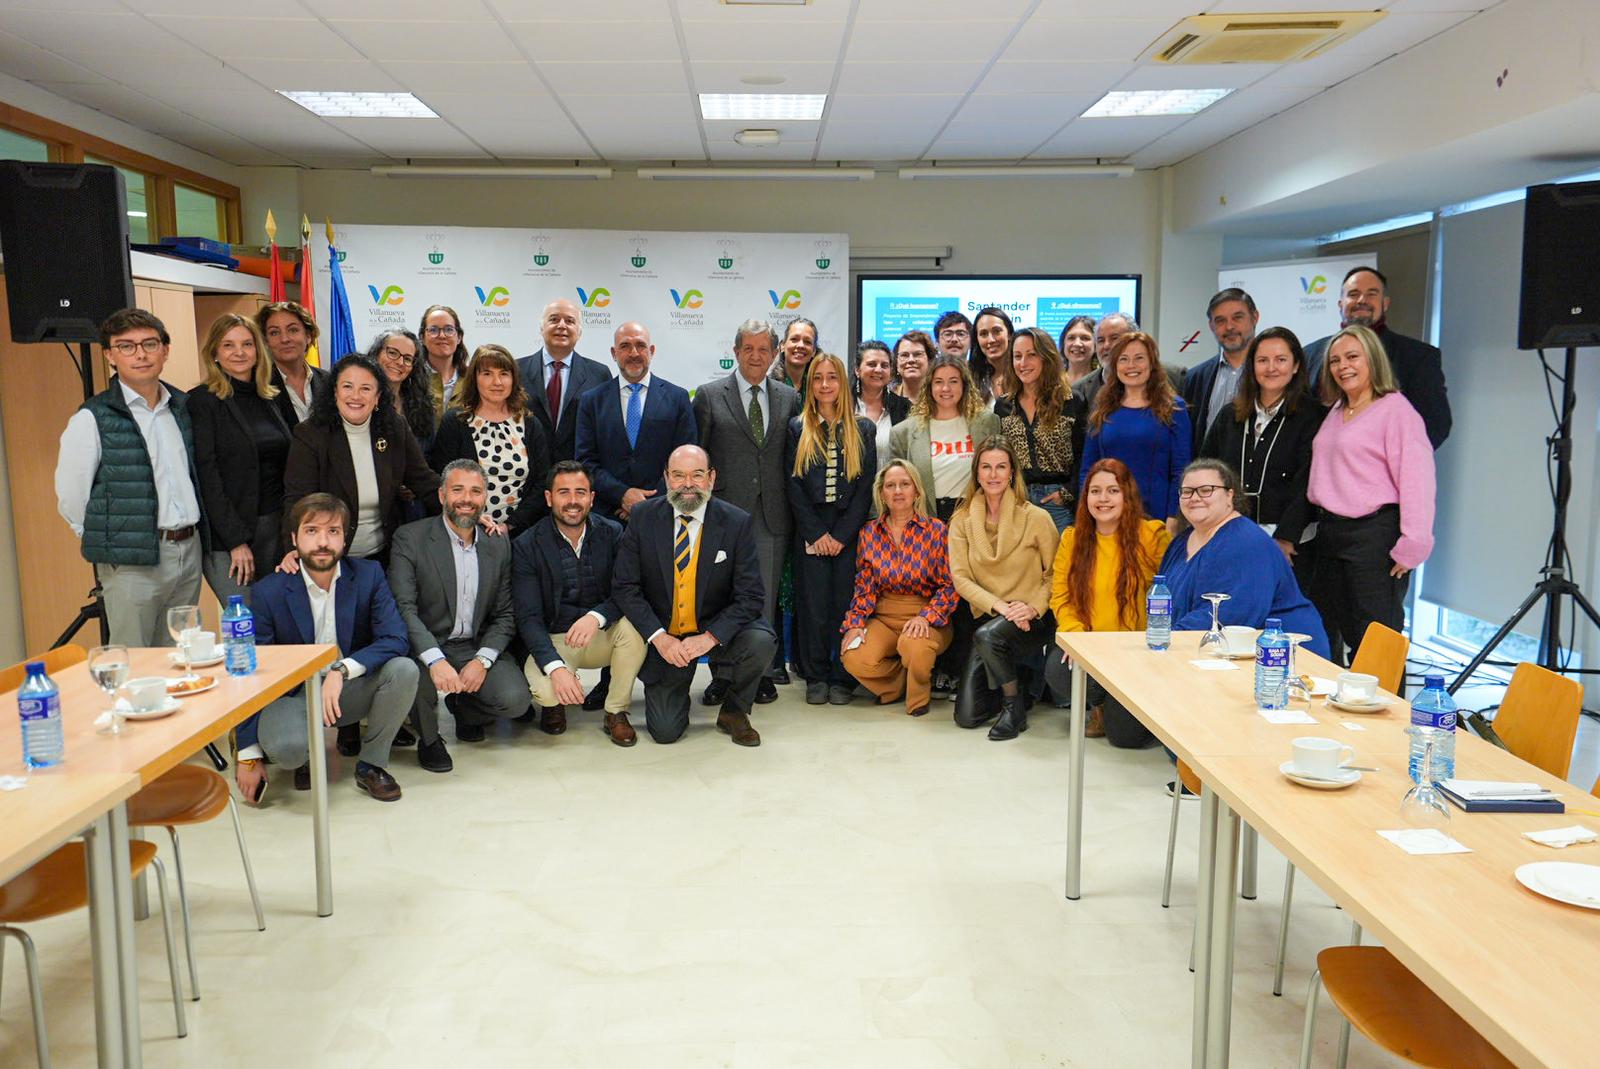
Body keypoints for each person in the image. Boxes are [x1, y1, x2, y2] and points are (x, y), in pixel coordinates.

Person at [232, 493, 417, 802]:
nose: (322, 541)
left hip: (345, 689)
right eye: (311, 531)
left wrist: (341, 670)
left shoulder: (368, 575)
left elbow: (395, 637)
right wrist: (248, 755)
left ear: (345, 540)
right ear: (294, 539)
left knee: (403, 670)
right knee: (287, 751)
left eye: (333, 531)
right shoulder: (268, 592)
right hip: (294, 694)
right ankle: (305, 755)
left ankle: (371, 765)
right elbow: (251, 672)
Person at [610, 445, 776, 747]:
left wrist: (709, 638)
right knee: (664, 732)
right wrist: (659, 638)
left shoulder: (736, 522)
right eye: (678, 475)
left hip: (714, 629)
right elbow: (625, 587)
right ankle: (675, 691)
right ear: (666, 478)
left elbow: (751, 596)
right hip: (666, 638)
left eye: (697, 475)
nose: (688, 484)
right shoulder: (644, 517)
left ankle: (734, 710)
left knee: (761, 640)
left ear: (711, 477)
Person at [55, 308, 202, 647]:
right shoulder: (93, 417)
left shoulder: (182, 407)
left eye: (149, 344)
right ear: (109, 354)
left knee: (180, 660)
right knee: (135, 661)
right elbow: (71, 495)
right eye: (126, 346)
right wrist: (111, 544)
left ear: (165, 350)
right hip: (131, 560)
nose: (140, 354)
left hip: (187, 550)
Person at [388, 460, 531, 769]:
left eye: (476, 491)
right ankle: (429, 740)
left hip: (472, 644)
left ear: (485, 498)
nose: (467, 499)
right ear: (442, 496)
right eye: (458, 490)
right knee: (416, 677)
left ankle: (465, 707)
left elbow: (505, 613)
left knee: (516, 700)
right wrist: (435, 660)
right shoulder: (409, 538)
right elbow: (404, 609)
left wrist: (483, 660)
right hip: (424, 644)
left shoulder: (497, 542)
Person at [1307, 324, 1435, 664]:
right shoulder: (1337, 411)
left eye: (1352, 357)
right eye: (1334, 360)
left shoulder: (1396, 410)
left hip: (1374, 537)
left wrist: (1414, 543)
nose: (1342, 366)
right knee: (1334, 631)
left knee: (1377, 642)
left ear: (1373, 360)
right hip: (1331, 534)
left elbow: (1418, 479)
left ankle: (1390, 717)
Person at [693, 318, 799, 706]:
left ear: (775, 355)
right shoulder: (708, 395)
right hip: (723, 514)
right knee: (721, 596)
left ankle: (762, 672)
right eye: (748, 349)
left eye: (764, 350)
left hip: (773, 513)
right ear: (735, 352)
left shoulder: (788, 396)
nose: (756, 356)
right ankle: (722, 674)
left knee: (765, 596)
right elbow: (698, 455)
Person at [512, 461, 647, 746]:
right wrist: (556, 668)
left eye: (580, 492)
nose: (573, 501)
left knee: (635, 629)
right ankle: (554, 705)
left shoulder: (612, 533)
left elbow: (627, 591)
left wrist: (596, 617)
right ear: (549, 498)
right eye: (564, 493)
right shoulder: (526, 545)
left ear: (592, 498)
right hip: (555, 639)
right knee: (548, 689)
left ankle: (616, 712)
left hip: (602, 634)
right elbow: (528, 618)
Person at [889, 357, 1000, 696]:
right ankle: (938, 670)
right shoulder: (907, 430)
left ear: (964, 385)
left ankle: (967, 672)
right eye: (939, 382)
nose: (946, 388)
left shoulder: (986, 422)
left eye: (954, 381)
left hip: (972, 517)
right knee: (936, 592)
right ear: (929, 387)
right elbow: (899, 479)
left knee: (969, 596)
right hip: (929, 518)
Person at [1043, 459, 1172, 747]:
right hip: (1094, 647)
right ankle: (1101, 704)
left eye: (1112, 491)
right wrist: (1075, 639)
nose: (1103, 499)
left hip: (1137, 652)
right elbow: (1061, 597)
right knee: (1057, 668)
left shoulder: (1152, 535)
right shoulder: (1072, 539)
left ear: (1127, 494)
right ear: (1085, 496)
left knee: (1125, 739)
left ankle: (1136, 703)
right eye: (1095, 491)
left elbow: (1170, 595)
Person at [1159, 460, 1330, 658]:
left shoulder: (1246, 542)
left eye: (1206, 490)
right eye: (1187, 491)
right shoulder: (1181, 542)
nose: (1195, 498)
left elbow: (1228, 616)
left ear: (1229, 495)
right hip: (1212, 653)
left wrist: (1168, 643)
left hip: (1283, 658)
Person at [282, 354, 439, 568]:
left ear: (377, 397)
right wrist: (293, 549)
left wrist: (462, 510)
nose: (355, 396)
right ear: (334, 392)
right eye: (347, 386)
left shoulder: (394, 427)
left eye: (365, 388)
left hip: (383, 556)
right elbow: (297, 499)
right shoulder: (311, 434)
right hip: (327, 557)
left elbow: (423, 480)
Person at [947, 439, 1058, 741]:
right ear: (977, 473)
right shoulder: (962, 520)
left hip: (1031, 618)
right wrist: (1001, 607)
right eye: (986, 467)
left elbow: (1055, 574)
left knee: (989, 636)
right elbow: (961, 578)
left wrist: (1033, 607)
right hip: (991, 616)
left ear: (1011, 472)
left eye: (1000, 467)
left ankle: (1013, 707)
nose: (993, 474)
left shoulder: (1036, 517)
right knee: (967, 716)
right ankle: (1020, 683)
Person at [1198, 326, 1323, 590]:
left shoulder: (1312, 416)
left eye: (1281, 360)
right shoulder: (1230, 414)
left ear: (1296, 365)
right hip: (1230, 534)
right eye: (1262, 360)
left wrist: (1286, 538)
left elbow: (1308, 484)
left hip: (1288, 543)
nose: (1271, 368)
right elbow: (1205, 471)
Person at [785, 351, 877, 705]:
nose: (825, 385)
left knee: (844, 603)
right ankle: (816, 674)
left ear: (843, 382)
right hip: (811, 528)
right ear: (810, 385)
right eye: (818, 378)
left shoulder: (862, 428)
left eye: (832, 378)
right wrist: (816, 533)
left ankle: (842, 676)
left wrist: (841, 535)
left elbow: (865, 486)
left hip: (847, 529)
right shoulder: (798, 428)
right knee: (812, 604)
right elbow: (792, 484)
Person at [187, 313, 292, 606]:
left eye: (247, 344)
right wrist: (235, 541)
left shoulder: (271, 396)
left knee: (277, 622)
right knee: (246, 623)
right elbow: (207, 477)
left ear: (258, 350)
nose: (239, 352)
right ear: (215, 354)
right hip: (231, 538)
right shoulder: (203, 401)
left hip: (275, 529)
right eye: (229, 345)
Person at [839, 460, 957, 718]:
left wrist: (926, 617)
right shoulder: (869, 532)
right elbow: (865, 586)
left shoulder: (936, 530)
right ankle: (901, 681)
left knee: (914, 645)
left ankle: (917, 699)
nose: (898, 491)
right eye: (890, 486)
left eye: (905, 484)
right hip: (884, 617)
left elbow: (949, 586)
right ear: (882, 493)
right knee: (853, 655)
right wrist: (856, 623)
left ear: (916, 490)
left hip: (928, 616)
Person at [1303, 266, 1451, 449]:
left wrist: (1377, 463)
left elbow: (1435, 423)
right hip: (1320, 471)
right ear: (1340, 304)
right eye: (1353, 294)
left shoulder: (1418, 357)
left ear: (1385, 303)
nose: (1362, 300)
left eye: (1371, 294)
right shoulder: (1310, 354)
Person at [574, 321, 698, 522]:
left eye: (640, 345)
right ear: (614, 353)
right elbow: (585, 461)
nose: (633, 353)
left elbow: (685, 459)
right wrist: (622, 495)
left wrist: (647, 502)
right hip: (606, 516)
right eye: (625, 346)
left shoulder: (678, 398)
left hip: (662, 514)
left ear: (652, 351)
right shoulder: (592, 400)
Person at [428, 343, 553, 540]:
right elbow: (443, 480)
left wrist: (509, 525)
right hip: (465, 530)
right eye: (487, 373)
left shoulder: (529, 423)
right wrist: (473, 518)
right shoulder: (455, 422)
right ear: (474, 379)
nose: (497, 381)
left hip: (521, 534)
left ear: (513, 379)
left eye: (504, 373)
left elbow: (542, 482)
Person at [1080, 332, 1192, 527]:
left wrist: (1174, 517)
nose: (1131, 365)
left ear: (1152, 364)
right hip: (1108, 516)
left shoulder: (1174, 408)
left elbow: (1181, 470)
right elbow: (1088, 469)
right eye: (1124, 359)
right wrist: (1088, 512)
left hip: (1157, 518)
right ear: (1115, 366)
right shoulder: (1102, 409)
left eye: (1139, 358)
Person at [993, 327, 1087, 532]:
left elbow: (1083, 455)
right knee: (1022, 564)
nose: (1023, 363)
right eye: (1017, 356)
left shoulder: (1071, 401)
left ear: (1046, 357)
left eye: (1031, 355)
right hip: (1018, 500)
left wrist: (1067, 494)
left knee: (1060, 563)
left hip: (1058, 502)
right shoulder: (1004, 405)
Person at [517, 297, 611, 463]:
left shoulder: (599, 374)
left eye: (570, 321)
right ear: (541, 328)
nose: (562, 325)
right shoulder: (516, 370)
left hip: (577, 474)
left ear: (579, 332)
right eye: (554, 319)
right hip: (527, 473)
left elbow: (605, 432)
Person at [1182, 288, 1261, 452]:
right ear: (1211, 326)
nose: (1229, 326)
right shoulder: (1195, 378)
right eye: (1220, 321)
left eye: (1237, 317)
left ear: (1255, 317)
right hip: (1207, 473)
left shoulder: (1272, 374)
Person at [1071, 312, 1182, 405]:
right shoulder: (1080, 390)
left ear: (1134, 339)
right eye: (1100, 340)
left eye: (1115, 338)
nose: (1106, 346)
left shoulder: (1175, 376)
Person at [256, 300, 328, 426]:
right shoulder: (258, 386)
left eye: (293, 330)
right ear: (266, 342)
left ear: (308, 336)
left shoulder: (328, 381)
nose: (284, 339)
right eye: (274, 332)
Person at [372, 329, 435, 453]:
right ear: (376, 353)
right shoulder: (359, 401)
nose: (400, 362)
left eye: (407, 359)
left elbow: (428, 458)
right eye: (392, 353)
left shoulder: (423, 408)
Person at [853, 340, 909, 474]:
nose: (878, 369)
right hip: (849, 492)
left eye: (884, 365)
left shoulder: (904, 408)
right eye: (872, 364)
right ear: (857, 370)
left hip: (891, 490)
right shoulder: (842, 405)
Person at [418, 304, 470, 421]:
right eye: (433, 330)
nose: (442, 336)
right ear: (422, 338)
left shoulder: (472, 379)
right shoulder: (411, 378)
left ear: (459, 337)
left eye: (449, 329)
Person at [969, 306, 1015, 406]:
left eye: (997, 331)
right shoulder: (970, 379)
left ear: (1009, 334)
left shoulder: (1024, 374)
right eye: (983, 334)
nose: (991, 340)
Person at [770, 317, 818, 390]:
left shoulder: (818, 388)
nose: (800, 345)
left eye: (807, 342)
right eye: (794, 339)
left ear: (813, 351)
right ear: (782, 346)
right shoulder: (768, 386)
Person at [892, 329, 935, 403]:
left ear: (929, 361)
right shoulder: (886, 400)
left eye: (917, 354)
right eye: (904, 355)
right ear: (896, 363)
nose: (911, 360)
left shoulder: (941, 398)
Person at [1059, 315, 1098, 391]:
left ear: (1096, 345)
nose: (1077, 343)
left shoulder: (1104, 383)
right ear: (1063, 343)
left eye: (1085, 338)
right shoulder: (1050, 382)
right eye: (1071, 338)